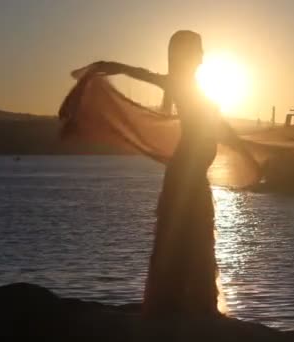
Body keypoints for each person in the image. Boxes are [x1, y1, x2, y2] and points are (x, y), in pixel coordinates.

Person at [85, 30, 239, 317]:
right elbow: (147, 75)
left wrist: (249, 148)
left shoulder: (196, 87)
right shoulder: (181, 84)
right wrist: (118, 67)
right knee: (184, 234)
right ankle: (178, 303)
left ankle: (194, 302)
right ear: (187, 54)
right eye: (199, 50)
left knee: (195, 234)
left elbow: (217, 127)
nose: (203, 55)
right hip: (186, 174)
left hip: (193, 174)